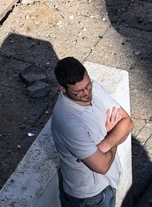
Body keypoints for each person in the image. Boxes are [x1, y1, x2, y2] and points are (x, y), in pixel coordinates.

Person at [51, 57, 134, 207]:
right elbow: (101, 166)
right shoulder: (69, 121)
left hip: (106, 183)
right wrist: (112, 138)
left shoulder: (94, 88)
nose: (87, 93)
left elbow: (127, 122)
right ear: (62, 88)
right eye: (79, 91)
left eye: (88, 85)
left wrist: (103, 147)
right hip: (89, 197)